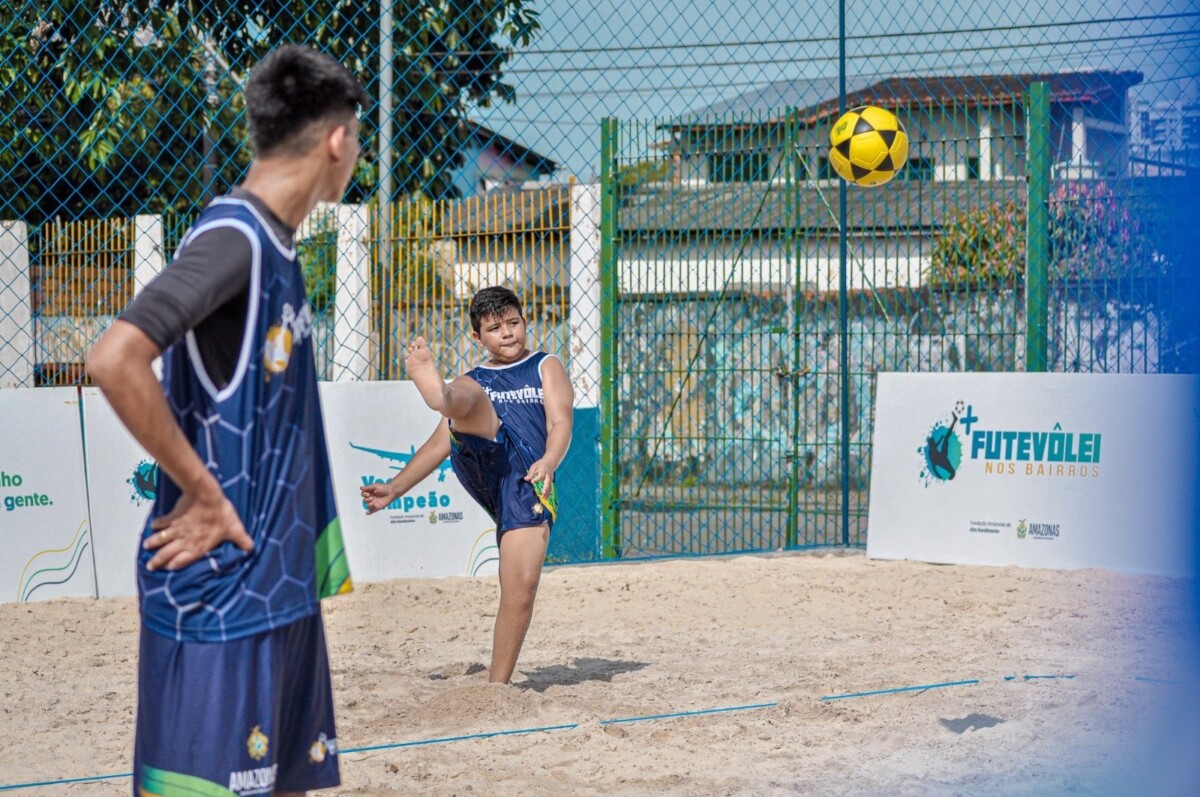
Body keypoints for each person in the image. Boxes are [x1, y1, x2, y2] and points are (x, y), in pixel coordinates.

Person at [86, 44, 366, 797]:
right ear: (337, 139)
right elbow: (115, 357)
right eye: (357, 140)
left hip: (278, 584)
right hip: (221, 595)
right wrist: (203, 492)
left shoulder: (277, 243)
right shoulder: (233, 238)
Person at [360, 286, 574, 685]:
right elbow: (438, 444)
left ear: (525, 322)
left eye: (513, 323)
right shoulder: (477, 377)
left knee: (521, 588)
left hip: (527, 478)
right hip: (481, 454)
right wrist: (395, 487)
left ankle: (497, 687)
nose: (507, 333)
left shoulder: (546, 366)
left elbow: (561, 422)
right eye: (495, 328)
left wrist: (549, 460)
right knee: (470, 394)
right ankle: (441, 395)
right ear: (477, 337)